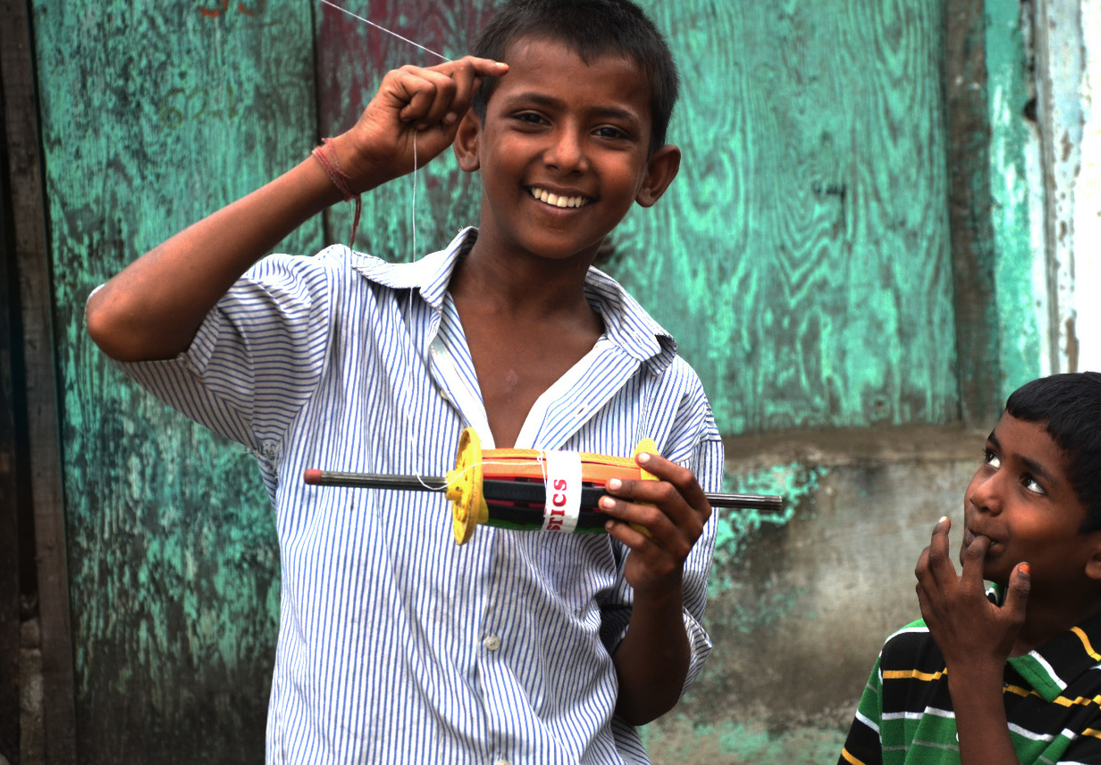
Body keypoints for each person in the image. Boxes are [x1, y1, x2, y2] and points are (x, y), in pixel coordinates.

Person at [85, 1, 721, 762]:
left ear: (654, 175)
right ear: (469, 138)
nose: (567, 155)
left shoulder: (665, 394)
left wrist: (657, 580)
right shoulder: (337, 318)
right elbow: (122, 322)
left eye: (610, 131)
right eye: (532, 118)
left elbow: (646, 693)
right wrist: (342, 166)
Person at [838, 372, 1101, 765]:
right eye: (991, 458)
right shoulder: (911, 651)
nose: (981, 494)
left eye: (1032, 484)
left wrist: (973, 670)